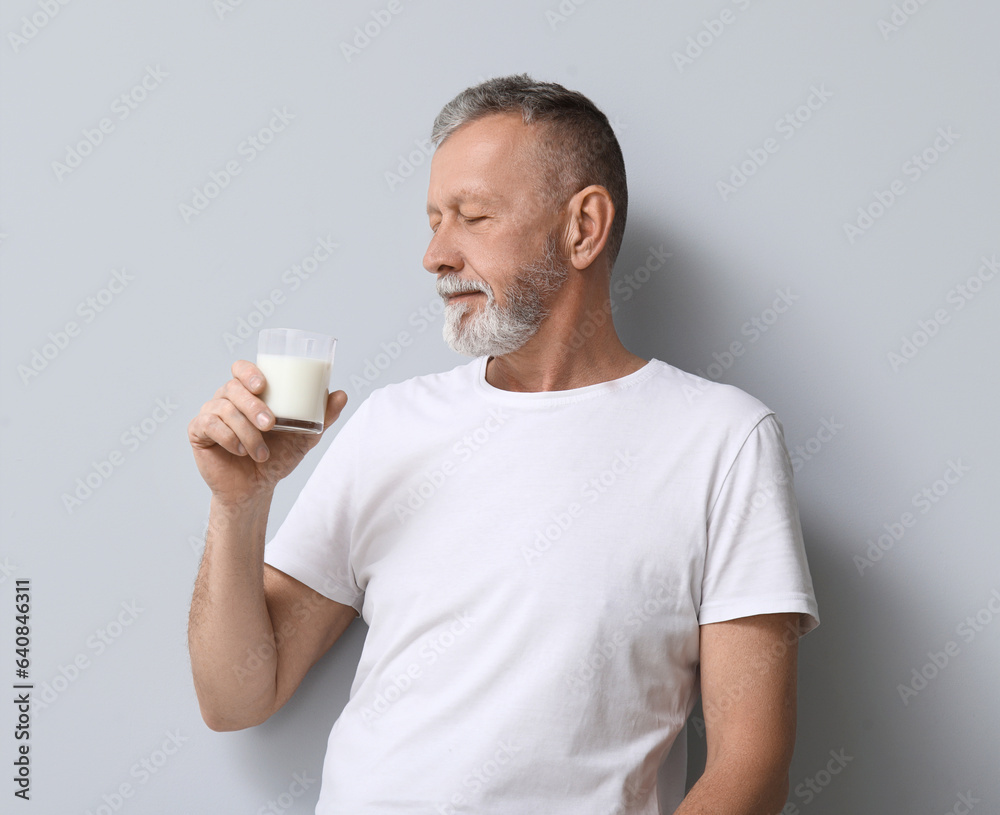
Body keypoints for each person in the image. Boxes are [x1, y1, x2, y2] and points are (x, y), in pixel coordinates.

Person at [187, 74, 819, 815]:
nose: (435, 254)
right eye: (432, 220)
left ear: (583, 227)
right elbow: (235, 696)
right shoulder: (392, 424)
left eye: (472, 216)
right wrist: (240, 503)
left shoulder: (723, 441)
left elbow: (752, 766)